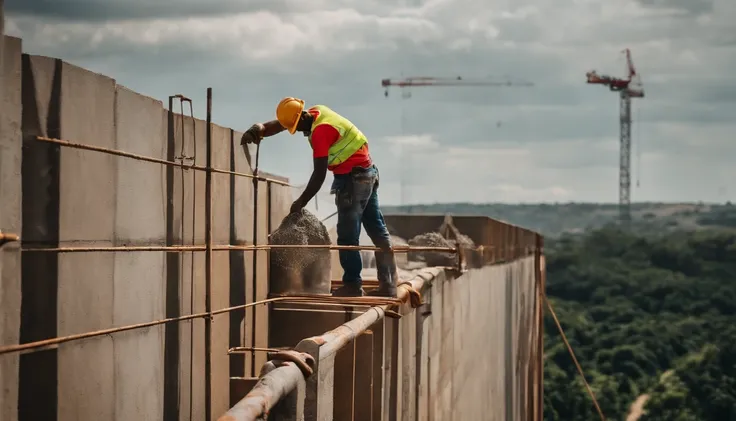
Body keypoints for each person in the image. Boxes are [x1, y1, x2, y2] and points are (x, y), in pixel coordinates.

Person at [240, 97, 399, 298]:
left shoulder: (320, 132)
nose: (297, 131)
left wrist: (300, 202)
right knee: (377, 230)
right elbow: (284, 123)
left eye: (297, 127)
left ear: (303, 118)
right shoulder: (317, 112)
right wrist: (261, 128)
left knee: (348, 234)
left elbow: (319, 175)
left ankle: (352, 284)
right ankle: (389, 285)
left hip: (353, 179)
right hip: (367, 172)